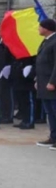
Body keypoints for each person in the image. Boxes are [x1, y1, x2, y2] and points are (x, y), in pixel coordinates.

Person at [34, 19, 56, 148]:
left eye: (40, 27)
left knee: (54, 111)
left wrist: (53, 82)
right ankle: (53, 137)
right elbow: (42, 63)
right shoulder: (47, 41)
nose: (38, 29)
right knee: (50, 112)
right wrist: (38, 79)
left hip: (51, 84)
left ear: (47, 28)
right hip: (44, 82)